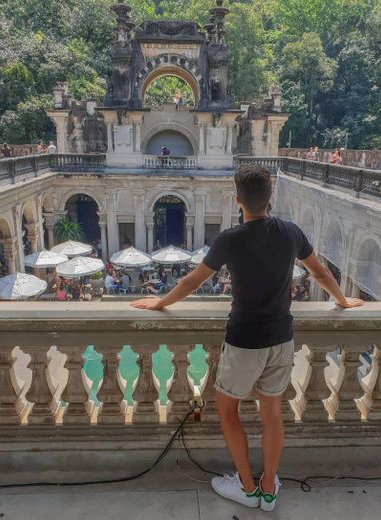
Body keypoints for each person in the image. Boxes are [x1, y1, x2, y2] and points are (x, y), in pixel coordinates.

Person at [131, 162, 363, 512]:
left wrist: (159, 303)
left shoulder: (231, 239)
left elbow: (193, 282)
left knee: (226, 411)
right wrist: (342, 301)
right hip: (281, 339)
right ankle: (269, 489)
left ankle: (246, 486)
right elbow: (319, 272)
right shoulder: (291, 232)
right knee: (271, 413)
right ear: (270, 198)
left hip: (244, 341)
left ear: (238, 200)